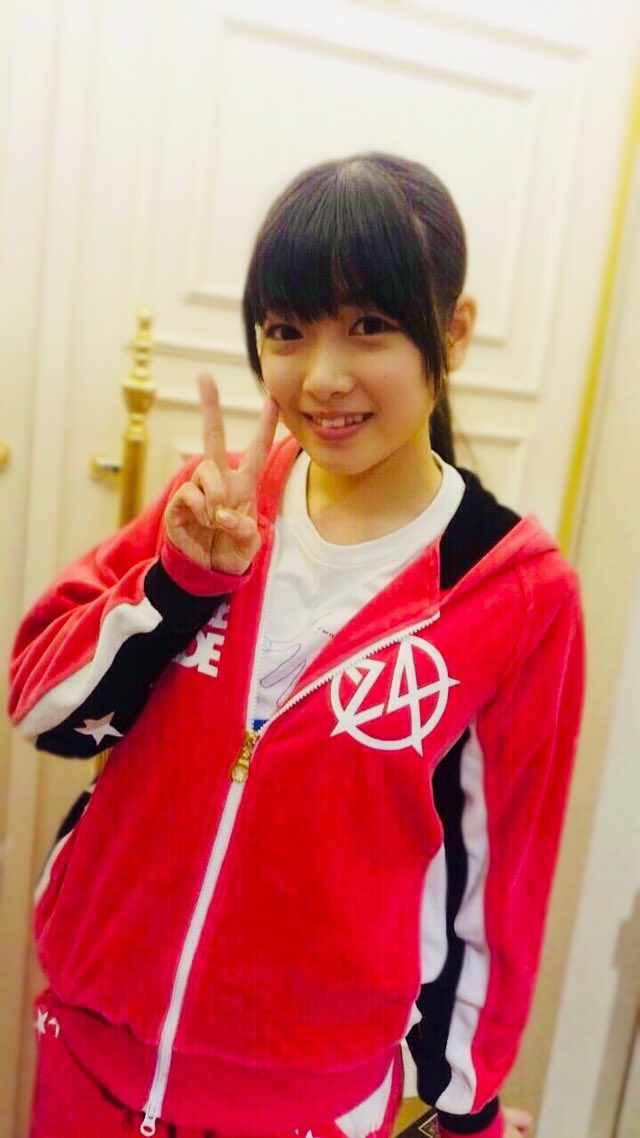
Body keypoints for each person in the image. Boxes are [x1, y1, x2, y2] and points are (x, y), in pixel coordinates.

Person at [9, 153, 583, 1138]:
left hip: (306, 1106)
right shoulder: (212, 507)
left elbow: (496, 891)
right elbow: (44, 709)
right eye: (286, 331)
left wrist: (463, 1109)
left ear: (451, 329)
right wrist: (177, 587)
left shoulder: (516, 596)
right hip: (89, 1061)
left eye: (368, 325)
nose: (321, 377)